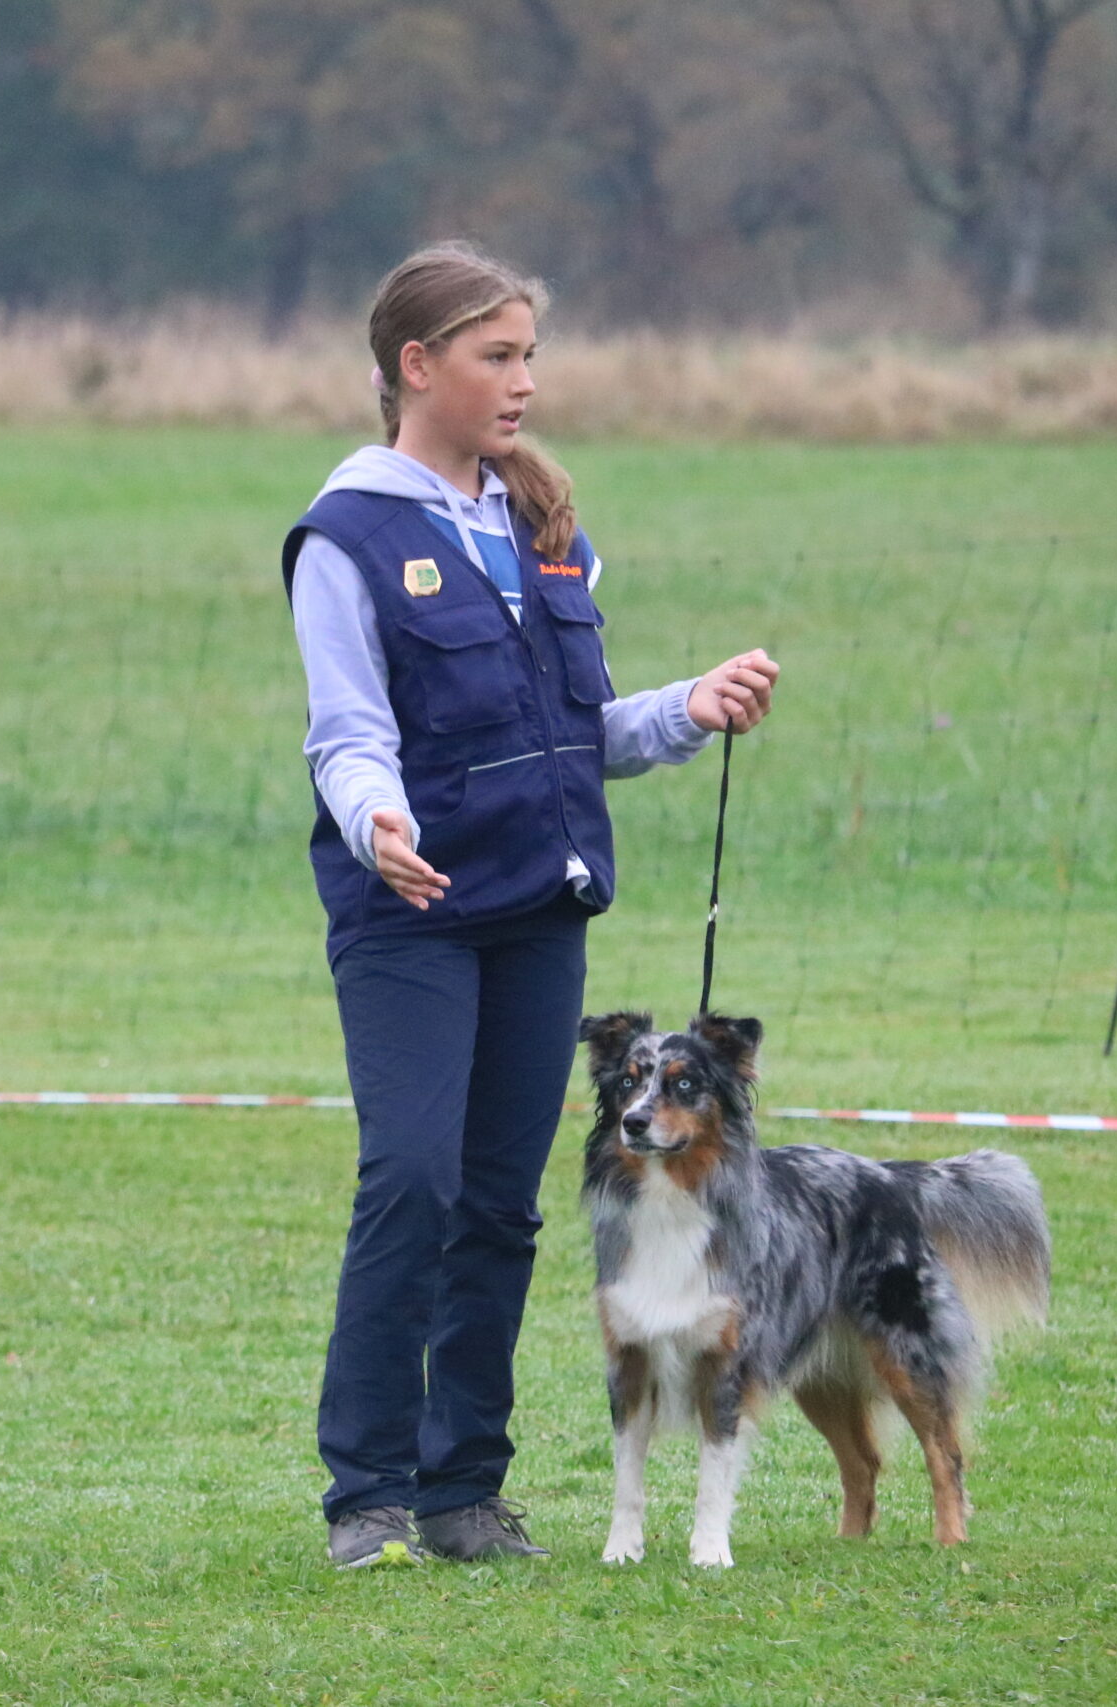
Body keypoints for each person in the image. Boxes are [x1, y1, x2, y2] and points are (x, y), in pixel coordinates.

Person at [282, 241, 779, 1568]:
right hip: (412, 908)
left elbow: (573, 735)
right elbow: (347, 731)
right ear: (417, 365)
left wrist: (688, 709)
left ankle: (461, 1494)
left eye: (531, 355)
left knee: (503, 1201)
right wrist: (375, 821)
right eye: (498, 357)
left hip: (538, 911)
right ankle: (367, 1493)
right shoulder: (348, 535)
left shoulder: (542, 525)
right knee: (413, 1179)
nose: (524, 382)